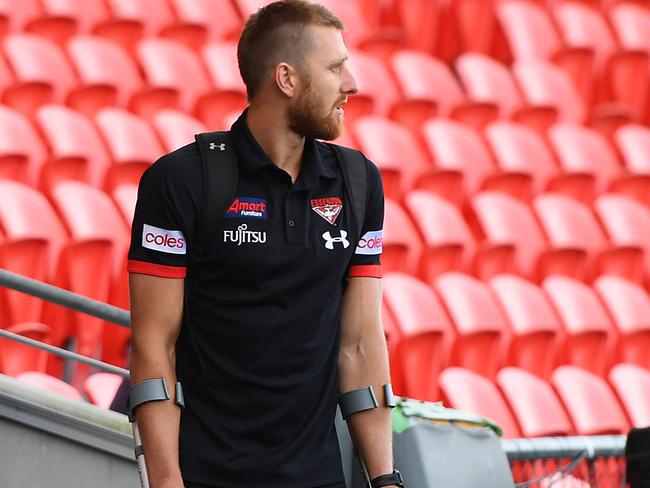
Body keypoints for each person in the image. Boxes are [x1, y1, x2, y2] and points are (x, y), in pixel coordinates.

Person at [127, 1, 399, 487]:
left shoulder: (358, 181)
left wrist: (385, 479)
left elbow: (359, 346)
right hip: (208, 476)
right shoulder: (181, 180)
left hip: (318, 476)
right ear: (287, 79)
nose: (351, 82)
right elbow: (154, 346)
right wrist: (166, 480)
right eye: (335, 67)